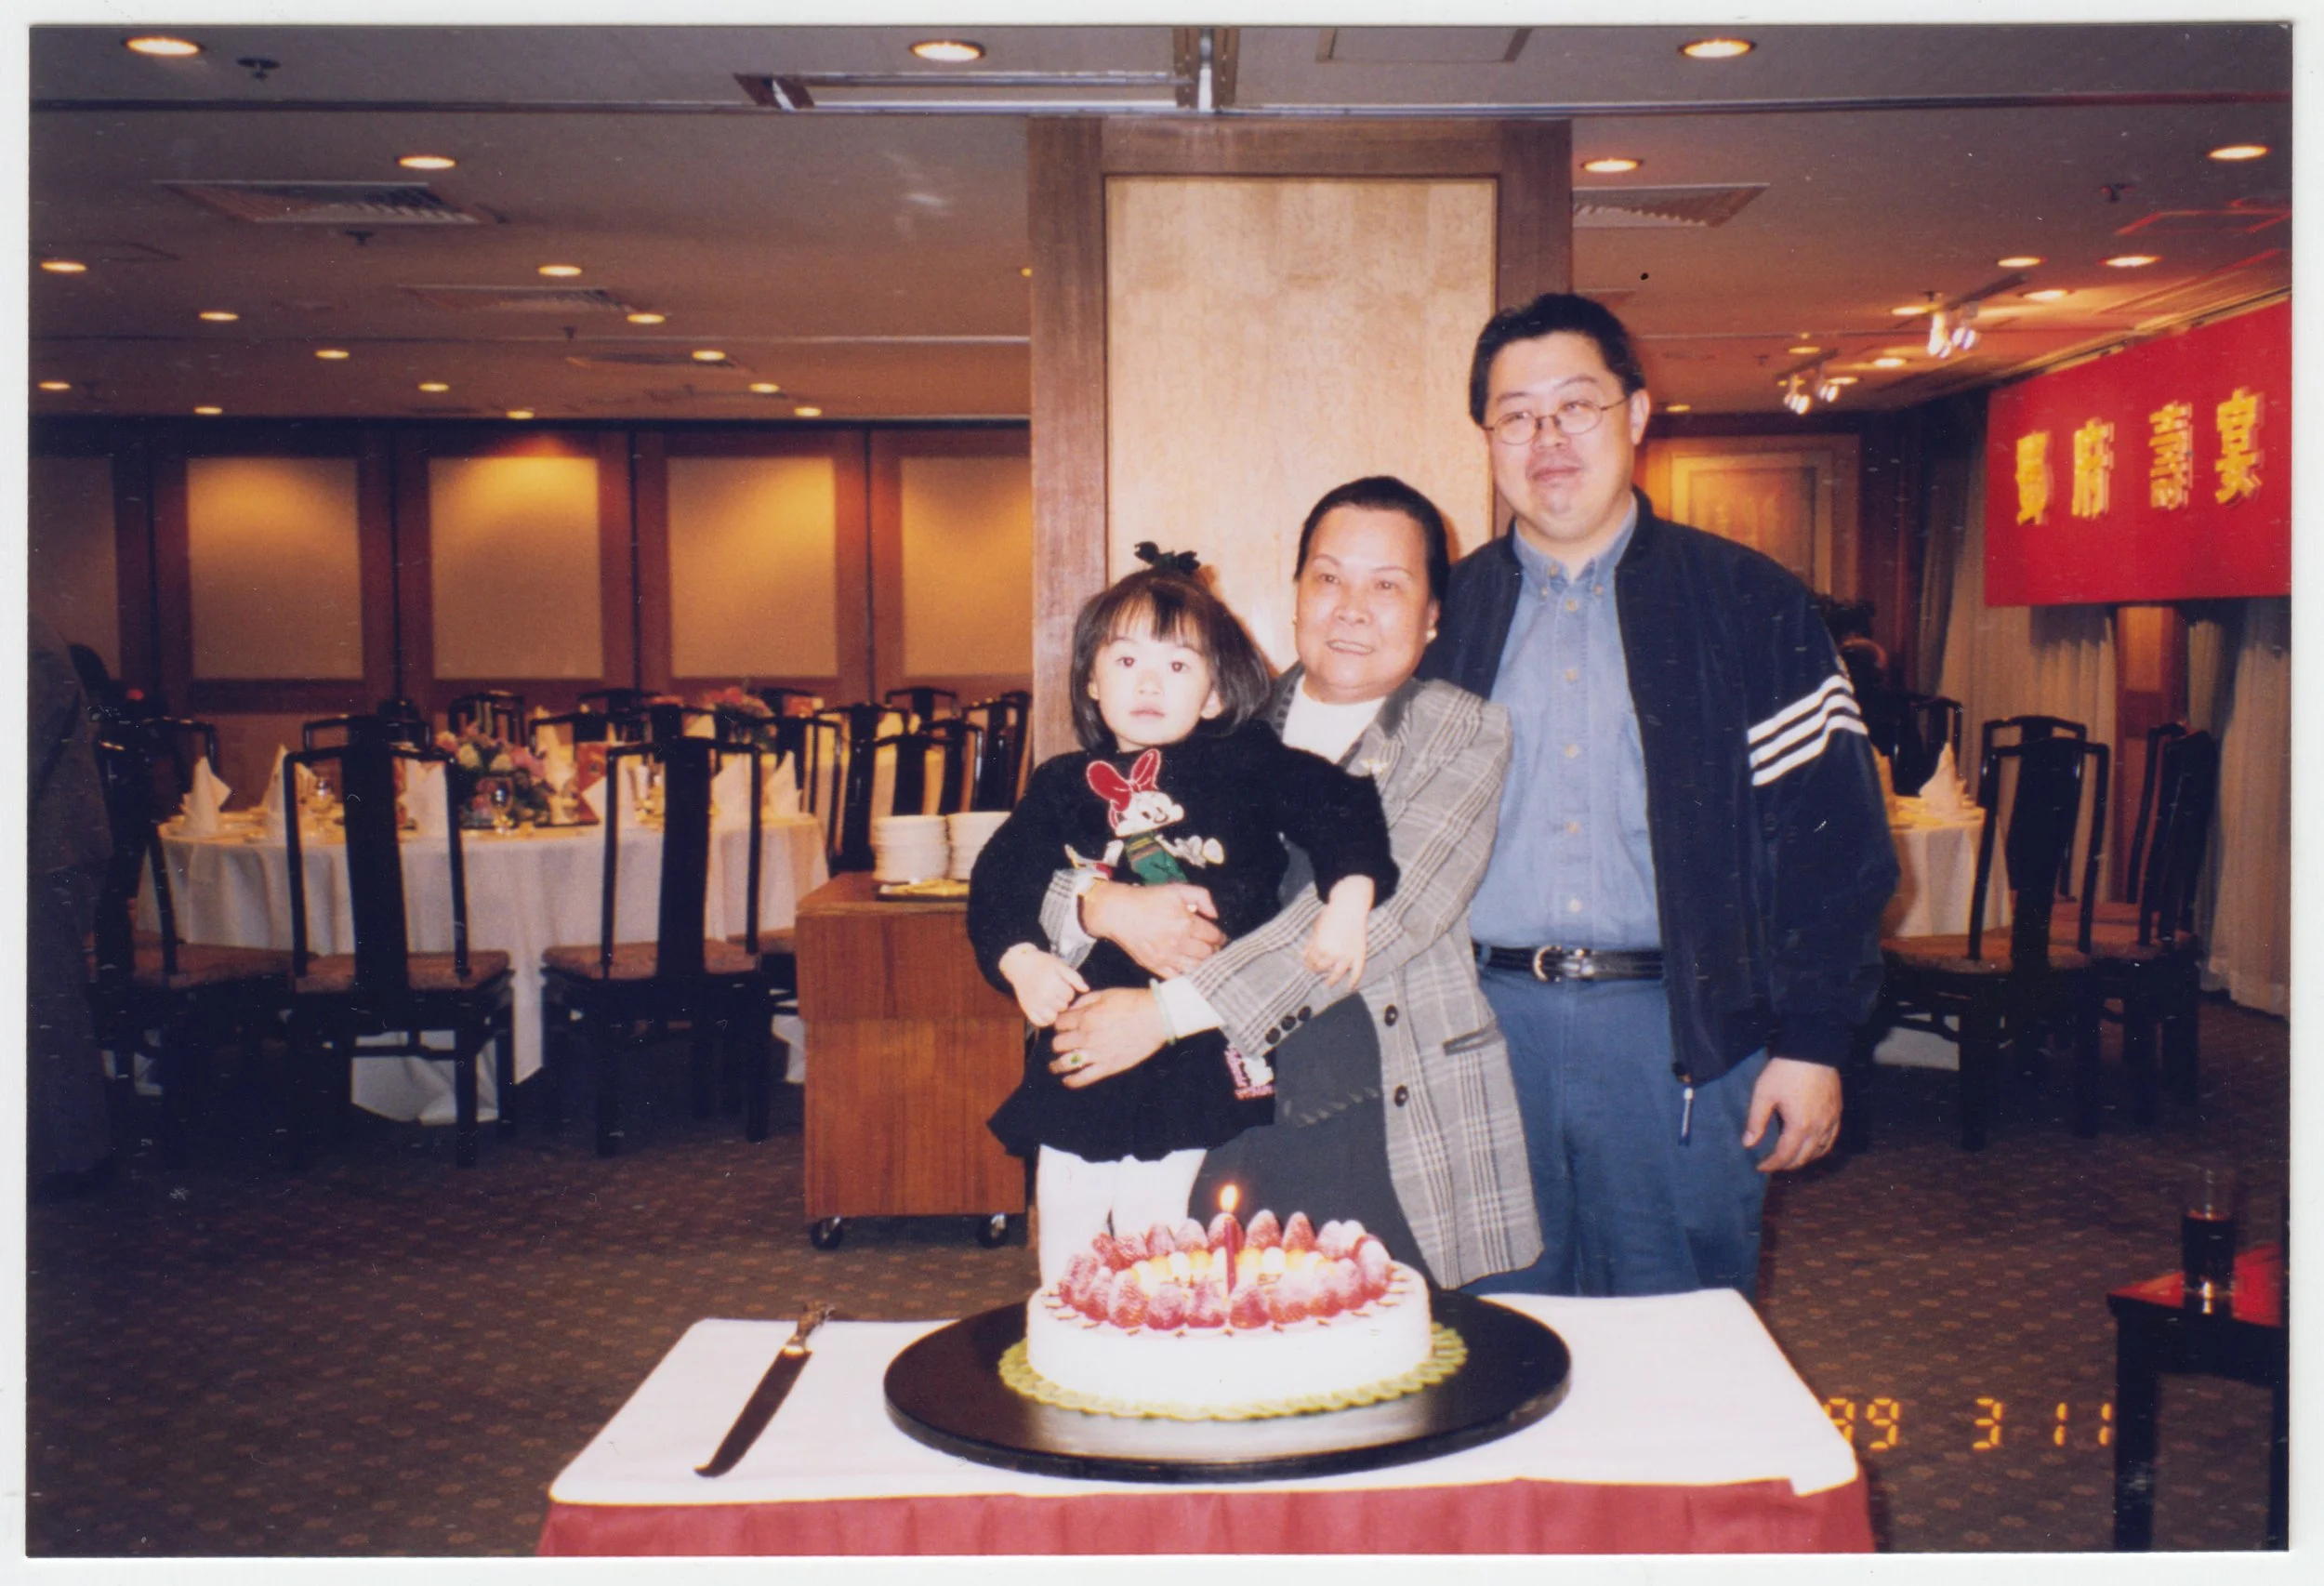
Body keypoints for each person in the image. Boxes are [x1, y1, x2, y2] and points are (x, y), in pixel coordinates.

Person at [1420, 292, 1898, 1297]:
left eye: (1577, 405)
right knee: (1492, 1338)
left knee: (1679, 1337)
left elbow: (1836, 849)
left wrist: (1813, 1042)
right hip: (1476, 1032)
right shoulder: (1443, 616)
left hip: (1679, 1034)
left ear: (1636, 414)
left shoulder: (1747, 601)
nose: (1546, 438)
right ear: (1488, 436)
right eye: (1516, 413)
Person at [1042, 480, 1543, 1289]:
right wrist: (1101, 905)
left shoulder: (1463, 729)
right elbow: (1055, 854)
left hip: (1385, 1111)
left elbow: (1389, 914)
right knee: (1221, 1346)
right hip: (1221, 1118)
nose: (1351, 606)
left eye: (1388, 585)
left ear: (1432, 616)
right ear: (1297, 594)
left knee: (1394, 1368)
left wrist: (1164, 1014)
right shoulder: (1213, 716)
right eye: (1328, 577)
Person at [968, 547, 1401, 1284]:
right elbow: (1000, 875)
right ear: (1092, 682)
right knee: (1068, 1228)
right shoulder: (1064, 783)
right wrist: (1020, 959)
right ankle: (1076, 1354)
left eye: (1177, 665)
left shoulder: (1248, 763)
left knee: (1160, 1238)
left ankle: (1158, 1354)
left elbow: (1342, 807)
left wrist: (1349, 898)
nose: (1147, 681)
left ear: (1211, 694)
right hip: (1083, 1033)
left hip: (1197, 1035)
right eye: (1127, 659)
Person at [28, 616, 117, 1198]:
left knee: (46, 1004)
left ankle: (75, 1159)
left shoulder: (28, 641)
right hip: (46, 844)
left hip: (47, 849)